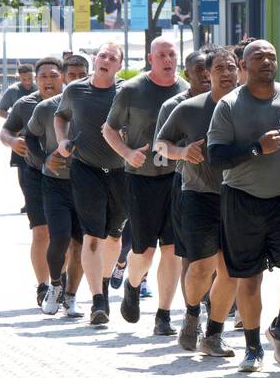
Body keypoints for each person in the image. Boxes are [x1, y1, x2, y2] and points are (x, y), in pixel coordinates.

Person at [207, 40, 280, 372]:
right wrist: (256, 148)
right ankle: (253, 348)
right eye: (258, 57)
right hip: (243, 200)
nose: (266, 61)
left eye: (272, 56)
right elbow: (215, 158)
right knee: (249, 280)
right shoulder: (229, 104)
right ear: (243, 65)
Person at [102, 38, 189, 336]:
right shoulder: (132, 89)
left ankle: (163, 315)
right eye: (161, 55)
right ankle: (133, 283)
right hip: (141, 178)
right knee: (144, 251)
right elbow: (109, 129)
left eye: (172, 54)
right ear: (150, 58)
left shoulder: (186, 90)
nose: (168, 59)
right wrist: (127, 154)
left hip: (177, 178)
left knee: (174, 249)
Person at [155, 48, 238, 358]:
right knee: (201, 267)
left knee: (230, 270)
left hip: (239, 197)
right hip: (199, 194)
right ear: (208, 73)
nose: (226, 73)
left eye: (232, 67)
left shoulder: (248, 106)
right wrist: (182, 152)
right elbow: (160, 148)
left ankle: (214, 334)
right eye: (220, 68)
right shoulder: (189, 109)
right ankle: (192, 314)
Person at [54, 42, 127, 326]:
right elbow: (60, 116)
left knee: (114, 237)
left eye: (112, 58)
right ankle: (98, 299)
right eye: (102, 56)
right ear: (95, 60)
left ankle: (105, 285)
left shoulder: (126, 92)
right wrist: (62, 141)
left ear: (119, 65)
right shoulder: (76, 90)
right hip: (86, 169)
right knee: (91, 235)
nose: (106, 60)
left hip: (121, 171)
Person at [26, 54, 89, 316]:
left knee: (81, 243)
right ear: (64, 77)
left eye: (80, 75)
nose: (75, 80)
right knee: (60, 237)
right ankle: (54, 286)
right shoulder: (46, 108)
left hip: (87, 182)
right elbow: (29, 137)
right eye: (70, 75)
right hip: (55, 184)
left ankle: (72, 296)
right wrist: (45, 160)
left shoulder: (97, 104)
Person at [1, 58, 63, 305]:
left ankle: (63, 281)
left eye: (53, 76)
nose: (48, 81)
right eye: (43, 77)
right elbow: (6, 131)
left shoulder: (73, 100)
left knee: (65, 235)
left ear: (62, 77)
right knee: (41, 232)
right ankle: (42, 285)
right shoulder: (24, 104)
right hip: (34, 173)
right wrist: (12, 142)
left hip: (67, 176)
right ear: (36, 80)